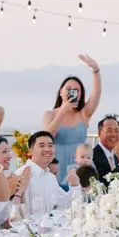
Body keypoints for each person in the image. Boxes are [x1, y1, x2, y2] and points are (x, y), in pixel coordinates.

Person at [38, 55, 103, 184]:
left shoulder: (83, 114)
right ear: (61, 91)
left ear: (80, 94)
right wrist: (63, 111)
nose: (72, 92)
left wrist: (95, 70)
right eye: (68, 89)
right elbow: (47, 137)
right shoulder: (49, 114)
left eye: (76, 90)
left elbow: (97, 93)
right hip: (56, 164)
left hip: (80, 165)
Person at [12, 131, 77, 219]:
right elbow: (12, 212)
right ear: (30, 151)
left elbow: (63, 204)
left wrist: (74, 186)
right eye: (42, 146)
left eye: (50, 145)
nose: (47, 149)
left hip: (48, 225)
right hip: (28, 226)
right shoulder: (21, 174)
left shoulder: (51, 177)